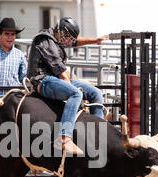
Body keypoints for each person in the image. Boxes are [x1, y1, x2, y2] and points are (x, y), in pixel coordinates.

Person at [27, 17, 108, 155]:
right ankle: (64, 138)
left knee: (96, 93)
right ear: (60, 32)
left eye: (70, 39)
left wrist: (95, 40)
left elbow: (76, 42)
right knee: (76, 94)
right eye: (68, 37)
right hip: (42, 80)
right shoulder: (45, 40)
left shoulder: (57, 37)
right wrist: (76, 93)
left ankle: (97, 133)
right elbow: (62, 73)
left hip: (55, 78)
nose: (69, 42)